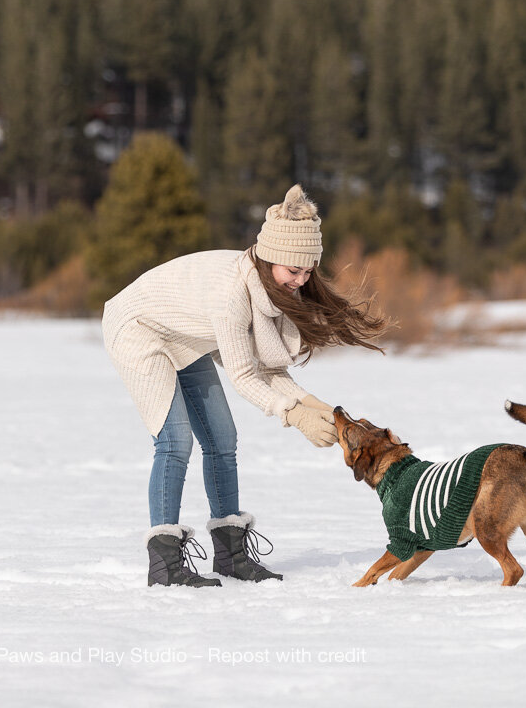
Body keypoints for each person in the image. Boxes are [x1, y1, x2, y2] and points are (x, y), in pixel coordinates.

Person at [102, 184, 386, 587]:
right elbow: (244, 376)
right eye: (294, 271)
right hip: (137, 328)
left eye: (308, 272)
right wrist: (293, 415)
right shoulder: (232, 293)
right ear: (272, 258)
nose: (301, 281)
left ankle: (231, 556)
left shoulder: (267, 289)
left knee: (222, 438)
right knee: (175, 440)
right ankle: (164, 566)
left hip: (185, 336)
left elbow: (265, 367)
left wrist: (312, 404)